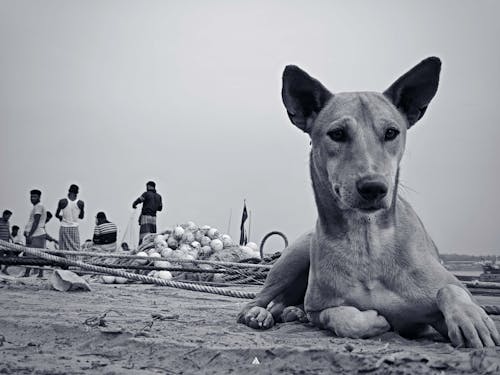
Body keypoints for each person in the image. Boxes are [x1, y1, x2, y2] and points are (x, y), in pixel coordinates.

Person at [23, 189, 47, 277]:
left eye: (35, 196)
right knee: (34, 255)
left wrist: (30, 234)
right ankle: (36, 274)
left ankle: (31, 274)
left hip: (36, 234)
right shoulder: (37, 206)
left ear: (39, 197)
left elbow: (36, 221)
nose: (32, 198)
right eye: (31, 196)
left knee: (33, 255)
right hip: (36, 233)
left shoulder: (38, 206)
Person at [55, 184, 84, 251]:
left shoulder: (62, 201)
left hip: (64, 227)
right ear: (77, 193)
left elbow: (56, 215)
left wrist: (61, 217)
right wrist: (75, 214)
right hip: (74, 228)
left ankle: (64, 260)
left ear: (69, 191)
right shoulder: (80, 203)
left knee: (63, 248)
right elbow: (81, 216)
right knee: (75, 247)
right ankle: (75, 260)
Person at [0, 210, 13, 274]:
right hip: (1, 243)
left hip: (7, 243)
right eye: (8, 216)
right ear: (4, 215)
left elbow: (8, 232)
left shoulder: (8, 222)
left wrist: (12, 239)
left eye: (9, 217)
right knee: (0, 257)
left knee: (11, 255)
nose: (8, 218)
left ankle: (5, 269)